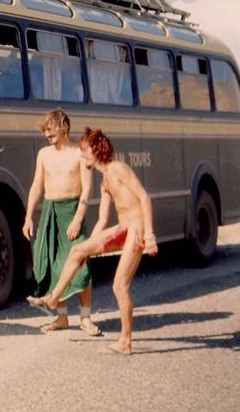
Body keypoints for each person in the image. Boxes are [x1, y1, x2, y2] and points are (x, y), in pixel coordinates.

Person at [27, 127, 158, 355]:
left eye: (85, 149)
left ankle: (125, 342)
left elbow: (144, 197)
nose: (82, 153)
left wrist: (150, 235)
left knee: (119, 286)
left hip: (136, 230)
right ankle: (52, 298)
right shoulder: (105, 180)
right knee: (77, 251)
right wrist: (92, 245)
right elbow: (102, 220)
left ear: (96, 150)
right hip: (123, 228)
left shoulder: (118, 169)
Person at [22, 109, 101, 336]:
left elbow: (88, 188)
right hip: (50, 211)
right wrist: (28, 216)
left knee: (81, 266)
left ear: (63, 127)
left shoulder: (80, 153)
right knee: (53, 265)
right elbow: (37, 186)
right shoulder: (43, 154)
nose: (47, 134)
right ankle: (62, 318)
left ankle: (85, 318)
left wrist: (78, 218)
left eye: (50, 129)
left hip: (71, 211)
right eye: (45, 130)